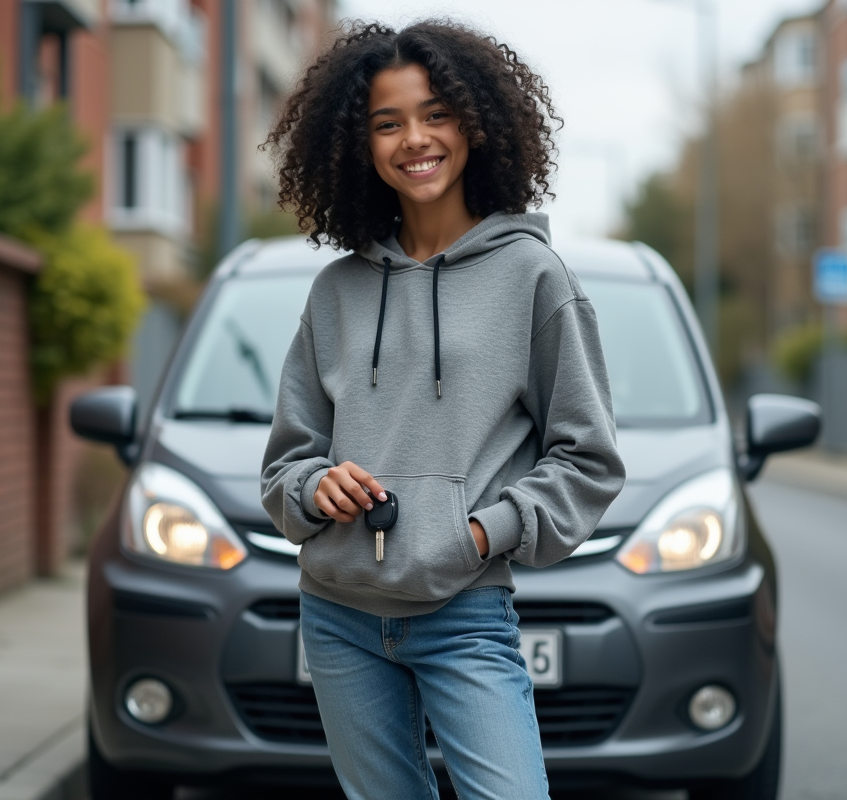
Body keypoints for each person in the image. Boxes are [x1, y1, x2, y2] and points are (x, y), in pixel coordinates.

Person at [260, 19, 626, 800]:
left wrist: (481, 532)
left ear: (474, 125)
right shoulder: (337, 292)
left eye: (434, 114)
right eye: (386, 123)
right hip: (338, 617)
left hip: (464, 611)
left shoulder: (534, 277)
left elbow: (588, 455)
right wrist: (313, 488)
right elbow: (287, 461)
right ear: (358, 145)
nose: (413, 139)